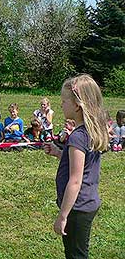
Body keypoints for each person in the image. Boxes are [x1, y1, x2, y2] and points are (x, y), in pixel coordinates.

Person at [44, 74, 109, 259]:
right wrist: (58, 153)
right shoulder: (91, 132)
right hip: (88, 202)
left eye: (64, 101)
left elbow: (75, 180)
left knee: (76, 254)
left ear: (77, 105)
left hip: (77, 208)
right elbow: (85, 164)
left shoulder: (77, 137)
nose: (61, 105)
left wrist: (63, 215)